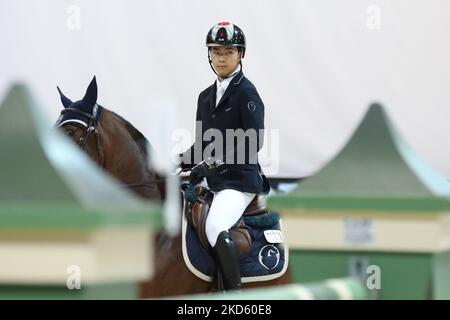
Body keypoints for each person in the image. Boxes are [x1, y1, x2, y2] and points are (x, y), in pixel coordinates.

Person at [180, 21, 269, 290]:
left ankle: (234, 294)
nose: (221, 57)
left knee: (216, 225)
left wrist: (211, 164)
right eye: (216, 51)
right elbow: (201, 145)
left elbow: (254, 141)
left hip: (240, 183)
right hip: (214, 183)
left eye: (228, 51)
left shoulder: (246, 92)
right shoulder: (204, 97)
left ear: (241, 54)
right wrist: (176, 161)